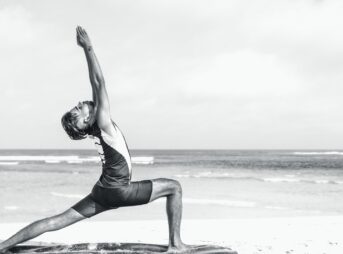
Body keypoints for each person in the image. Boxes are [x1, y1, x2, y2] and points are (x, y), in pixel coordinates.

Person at [0, 26, 188, 253]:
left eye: (78, 106)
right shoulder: (102, 123)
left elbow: (94, 85)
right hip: (119, 190)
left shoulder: (95, 128)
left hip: (102, 191)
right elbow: (99, 82)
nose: (80, 103)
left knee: (56, 221)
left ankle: (3, 246)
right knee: (174, 188)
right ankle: (176, 245)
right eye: (78, 109)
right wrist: (87, 47)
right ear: (86, 121)